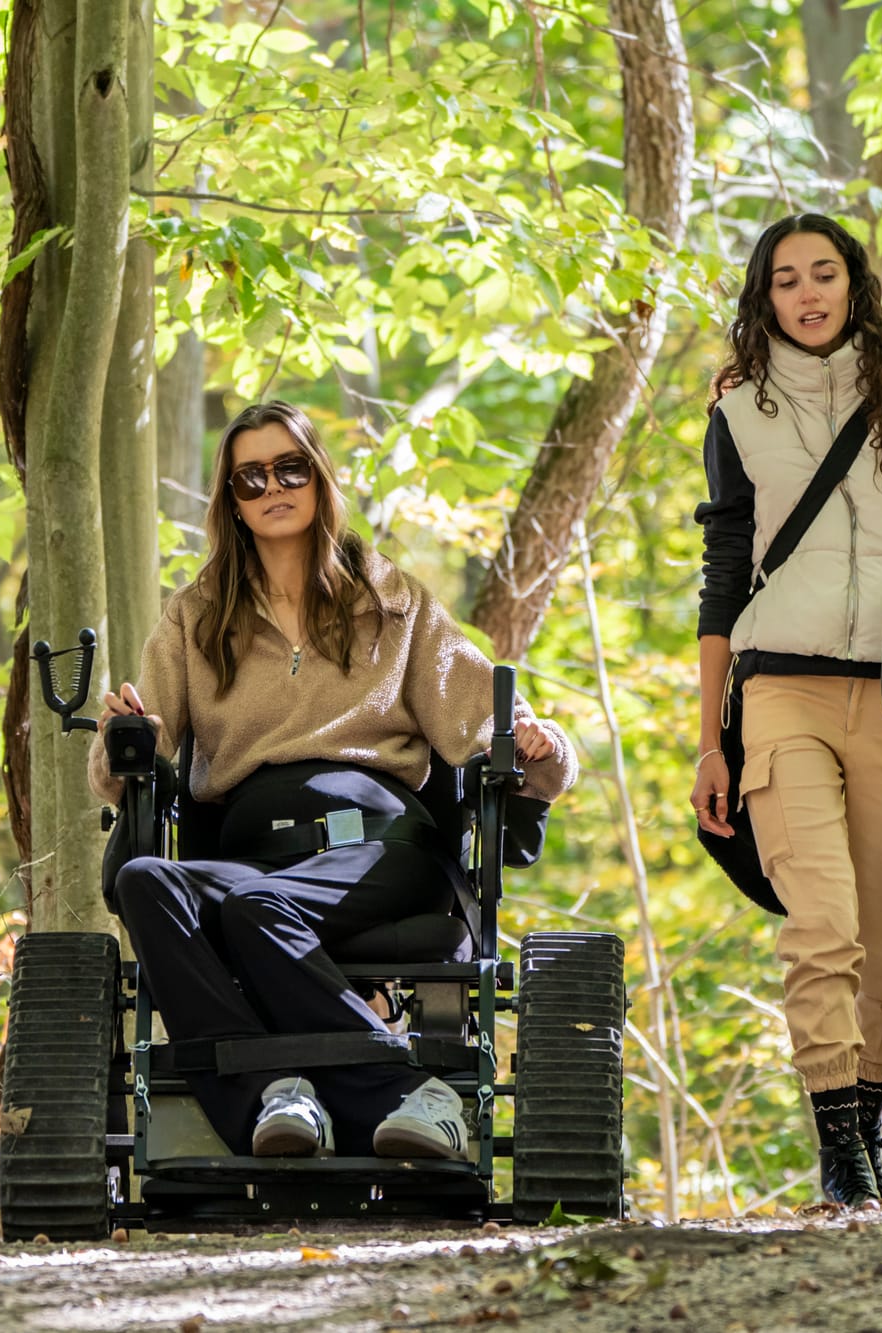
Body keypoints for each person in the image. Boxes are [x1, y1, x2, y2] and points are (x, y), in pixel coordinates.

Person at [89, 400, 578, 1162]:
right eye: (251, 477)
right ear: (231, 501)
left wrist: (545, 747)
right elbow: (128, 765)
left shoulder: (392, 601)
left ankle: (406, 1093)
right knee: (149, 880)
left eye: (290, 468)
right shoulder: (195, 616)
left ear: (319, 479)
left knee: (255, 905)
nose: (273, 487)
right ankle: (277, 1094)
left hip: (380, 850)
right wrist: (128, 736)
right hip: (253, 852)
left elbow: (488, 724)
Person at [690, 214, 882, 1205]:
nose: (806, 293)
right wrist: (709, 745)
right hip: (780, 686)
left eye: (824, 273)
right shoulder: (736, 414)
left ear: (854, 285)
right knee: (821, 921)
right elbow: (720, 580)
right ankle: (837, 1151)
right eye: (785, 280)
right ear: (764, 298)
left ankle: (864, 1121)